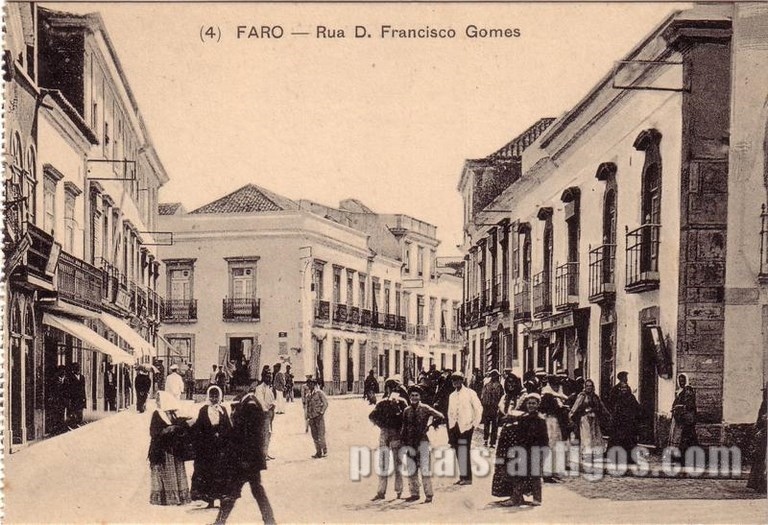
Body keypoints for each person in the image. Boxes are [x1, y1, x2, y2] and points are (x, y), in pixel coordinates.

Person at [214, 391, 276, 524]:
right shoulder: (249, 403)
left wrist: (244, 459)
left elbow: (249, 438)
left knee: (233, 491)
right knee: (256, 490)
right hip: (249, 460)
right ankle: (269, 520)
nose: (233, 410)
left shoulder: (250, 407)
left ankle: (220, 522)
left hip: (245, 460)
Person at [401, 385, 445, 503]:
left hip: (423, 442)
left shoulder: (425, 408)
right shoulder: (407, 410)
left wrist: (430, 425)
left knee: (425, 469)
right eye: (412, 396)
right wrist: (403, 443)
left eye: (416, 395)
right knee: (412, 469)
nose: (414, 397)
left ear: (420, 397)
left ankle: (429, 494)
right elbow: (404, 428)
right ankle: (414, 494)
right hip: (410, 442)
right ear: (409, 397)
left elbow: (440, 416)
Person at [504, 393, 549, 507]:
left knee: (535, 475)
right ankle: (517, 497)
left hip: (536, 450)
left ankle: (537, 498)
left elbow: (544, 438)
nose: (531, 406)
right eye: (529, 403)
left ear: (538, 405)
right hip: (524, 449)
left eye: (534, 403)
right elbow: (519, 434)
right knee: (520, 474)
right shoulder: (523, 418)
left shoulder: (541, 420)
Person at [191, 386, 232, 508]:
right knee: (208, 473)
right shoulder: (203, 410)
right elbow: (199, 428)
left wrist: (222, 435)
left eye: (216, 396)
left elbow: (227, 426)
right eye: (212, 396)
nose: (214, 399)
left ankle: (221, 498)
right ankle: (210, 500)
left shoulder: (223, 409)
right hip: (207, 447)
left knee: (221, 473)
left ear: (219, 397)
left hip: (220, 447)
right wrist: (209, 435)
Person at [148, 391, 192, 506]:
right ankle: (164, 499)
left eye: (159, 400)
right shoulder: (157, 414)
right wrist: (168, 429)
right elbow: (154, 431)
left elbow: (179, 425)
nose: (157, 402)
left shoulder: (171, 414)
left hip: (173, 448)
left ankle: (178, 497)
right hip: (162, 449)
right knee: (164, 473)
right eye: (157, 400)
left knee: (175, 472)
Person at [369, 378, 408, 501]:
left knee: (392, 463)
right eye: (395, 388)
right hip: (391, 433)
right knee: (390, 464)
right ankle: (393, 491)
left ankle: (391, 491)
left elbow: (372, 417)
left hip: (389, 433)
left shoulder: (399, 402)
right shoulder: (390, 403)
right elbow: (372, 416)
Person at [446, 371, 483, 485]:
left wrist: (474, 424)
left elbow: (478, 408)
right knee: (457, 450)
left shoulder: (470, 393)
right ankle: (462, 476)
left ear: (462, 380)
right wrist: (451, 425)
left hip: (466, 426)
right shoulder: (452, 395)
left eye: (458, 380)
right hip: (455, 426)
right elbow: (450, 411)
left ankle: (468, 478)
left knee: (464, 450)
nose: (455, 382)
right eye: (453, 380)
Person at [569, 379, 610, 458]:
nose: (589, 388)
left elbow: (601, 406)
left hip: (594, 418)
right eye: (587, 386)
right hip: (585, 418)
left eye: (590, 386)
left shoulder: (595, 396)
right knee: (586, 435)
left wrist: (608, 414)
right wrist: (571, 415)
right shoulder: (582, 395)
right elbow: (575, 406)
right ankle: (586, 453)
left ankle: (595, 453)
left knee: (595, 435)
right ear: (585, 387)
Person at [606, 371, 641, 463]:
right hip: (619, 420)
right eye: (625, 377)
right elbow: (611, 403)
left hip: (629, 420)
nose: (626, 379)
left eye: (626, 377)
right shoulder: (615, 389)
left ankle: (630, 458)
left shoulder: (629, 391)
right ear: (621, 378)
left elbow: (635, 405)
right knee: (618, 439)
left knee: (629, 440)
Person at [668, 373, 699, 463]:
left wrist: (679, 407)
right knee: (680, 438)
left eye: (683, 381)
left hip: (686, 419)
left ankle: (686, 458)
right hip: (680, 418)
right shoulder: (680, 391)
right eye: (680, 381)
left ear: (686, 381)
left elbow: (689, 405)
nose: (681, 382)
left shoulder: (688, 391)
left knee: (685, 438)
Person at [747, 384, 767, 493]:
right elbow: (760, 419)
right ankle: (760, 484)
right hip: (764, 434)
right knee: (761, 459)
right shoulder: (764, 404)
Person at [253, 367, 276, 460]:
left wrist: (273, 405)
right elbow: (260, 402)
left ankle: (266, 452)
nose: (269, 378)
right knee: (264, 434)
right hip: (263, 414)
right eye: (267, 376)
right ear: (263, 377)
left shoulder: (269, 388)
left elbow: (273, 400)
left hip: (270, 414)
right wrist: (267, 408)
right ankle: (262, 454)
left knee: (269, 434)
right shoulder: (259, 388)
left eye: (270, 376)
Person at [305, 376, 329, 458]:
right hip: (311, 418)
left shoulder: (319, 393)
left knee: (321, 434)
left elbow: (325, 403)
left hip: (318, 417)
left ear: (314, 384)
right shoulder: (308, 395)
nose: (309, 385)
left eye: (311, 383)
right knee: (314, 435)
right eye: (308, 384)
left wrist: (321, 412)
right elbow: (307, 407)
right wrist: (307, 417)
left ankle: (324, 451)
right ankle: (318, 452)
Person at [480, 370, 504, 448]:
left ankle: (486, 440)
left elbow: (482, 397)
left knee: (488, 425)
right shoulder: (499, 386)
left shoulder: (486, 385)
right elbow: (502, 397)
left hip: (488, 408)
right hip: (493, 408)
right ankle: (491, 442)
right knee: (494, 425)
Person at [48, 365, 69, 434]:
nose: (63, 372)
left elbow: (68, 391)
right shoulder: (54, 380)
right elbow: (51, 390)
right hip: (56, 401)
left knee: (62, 414)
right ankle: (56, 429)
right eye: (61, 371)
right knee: (56, 414)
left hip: (63, 400)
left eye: (64, 371)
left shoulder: (66, 380)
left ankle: (62, 428)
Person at [65, 362, 86, 428]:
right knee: (72, 411)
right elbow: (68, 388)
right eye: (76, 368)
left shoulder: (82, 377)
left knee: (80, 411)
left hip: (80, 397)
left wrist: (84, 397)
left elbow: (83, 388)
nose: (78, 369)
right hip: (73, 397)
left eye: (78, 367)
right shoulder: (70, 377)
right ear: (73, 369)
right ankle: (72, 424)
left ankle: (78, 422)